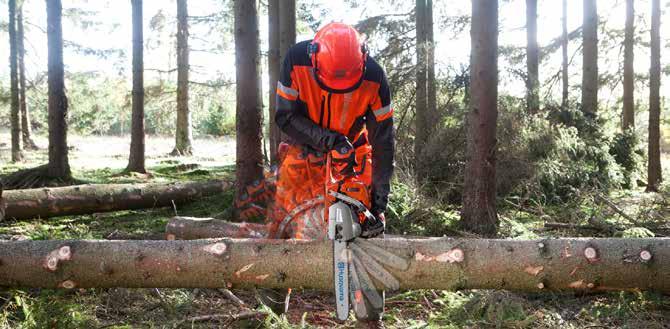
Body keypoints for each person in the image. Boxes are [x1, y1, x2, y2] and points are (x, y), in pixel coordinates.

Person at [264, 22, 394, 327]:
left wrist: (380, 196)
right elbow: (285, 115)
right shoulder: (296, 60)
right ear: (315, 58)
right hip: (305, 145)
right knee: (282, 221)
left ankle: (370, 317)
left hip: (353, 150)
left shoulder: (374, 76)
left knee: (368, 227)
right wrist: (327, 140)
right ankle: (271, 311)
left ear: (362, 58)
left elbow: (383, 139)